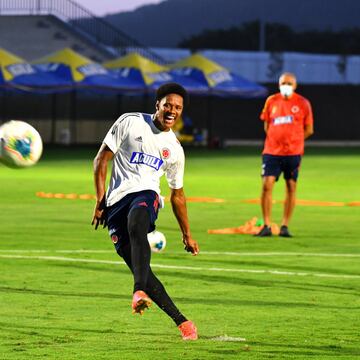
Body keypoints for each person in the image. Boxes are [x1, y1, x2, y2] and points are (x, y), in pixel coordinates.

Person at [91, 82, 199, 341]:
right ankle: (184, 323)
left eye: (178, 107)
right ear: (157, 105)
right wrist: (100, 201)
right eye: (168, 105)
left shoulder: (174, 149)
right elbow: (101, 159)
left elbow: (178, 194)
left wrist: (187, 233)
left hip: (146, 195)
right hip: (116, 203)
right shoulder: (131, 122)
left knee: (138, 220)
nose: (172, 111)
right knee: (143, 270)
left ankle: (137, 291)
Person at [255, 72, 314, 237]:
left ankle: (284, 226)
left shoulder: (303, 103)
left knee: (291, 187)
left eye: (289, 83)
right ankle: (266, 224)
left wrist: (294, 140)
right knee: (267, 185)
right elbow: (267, 125)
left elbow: (309, 129)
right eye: (283, 83)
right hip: (272, 151)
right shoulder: (271, 101)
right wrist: (276, 139)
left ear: (295, 86)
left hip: (293, 153)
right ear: (279, 84)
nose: (286, 85)